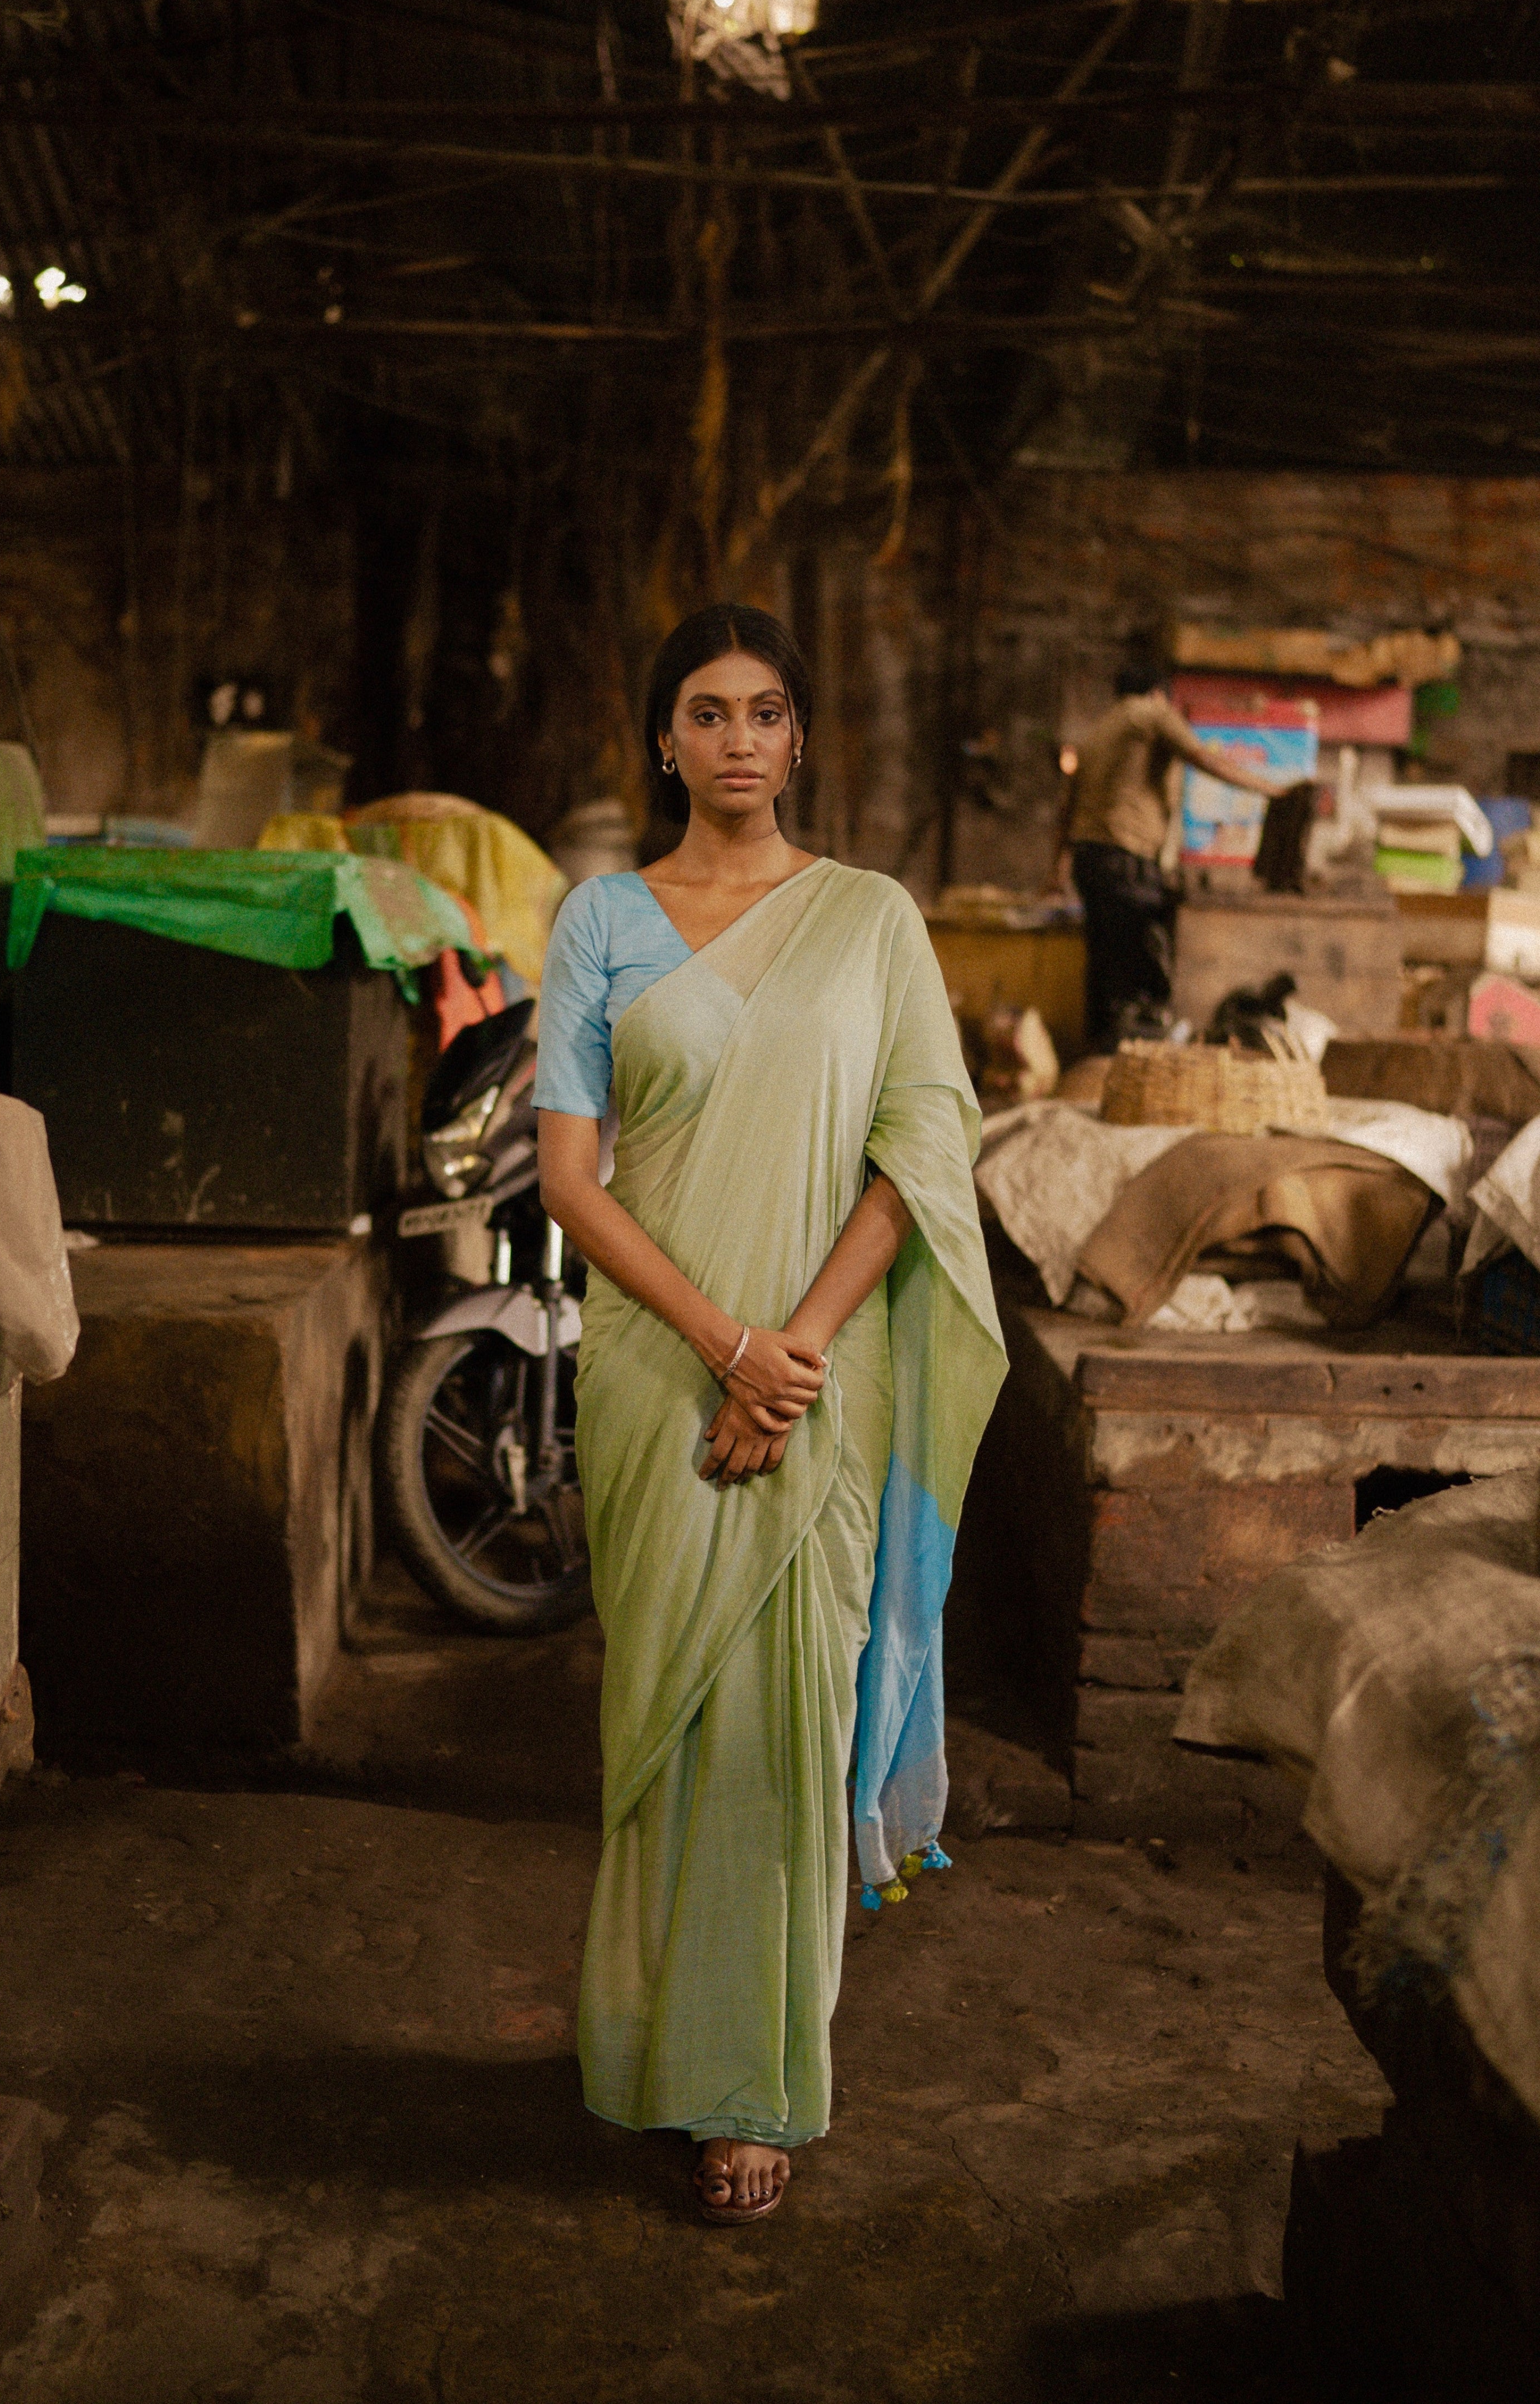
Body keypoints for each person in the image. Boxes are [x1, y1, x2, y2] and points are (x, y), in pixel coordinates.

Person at [534, 604, 1004, 2226]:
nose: (738, 737)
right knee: (663, 1733)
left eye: (767, 711)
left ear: (798, 739)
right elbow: (566, 1179)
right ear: (660, 739)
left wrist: (790, 1350)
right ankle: (652, 2048)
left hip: (816, 1384)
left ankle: (753, 2090)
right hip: (663, 1367)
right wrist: (723, 1343)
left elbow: (920, 1152)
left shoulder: (872, 921)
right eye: (705, 711)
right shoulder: (601, 920)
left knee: (782, 1738)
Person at [1067, 656, 1288, 1050]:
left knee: (1105, 970)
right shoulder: (1153, 713)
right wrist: (1270, 789)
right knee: (1140, 972)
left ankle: (1098, 1061)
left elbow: (1067, 808)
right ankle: (1133, 1060)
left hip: (1089, 859)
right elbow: (1202, 756)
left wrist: (1056, 870)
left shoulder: (1100, 729)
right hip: (1126, 860)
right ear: (1158, 693)